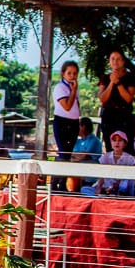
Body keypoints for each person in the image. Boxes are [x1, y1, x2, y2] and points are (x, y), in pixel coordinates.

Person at [97, 50, 135, 153]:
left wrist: (118, 83)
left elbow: (129, 98)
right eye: (113, 59)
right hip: (108, 116)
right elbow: (102, 98)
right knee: (110, 147)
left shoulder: (130, 77)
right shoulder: (105, 78)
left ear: (123, 61)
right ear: (109, 62)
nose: (115, 61)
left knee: (127, 148)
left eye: (118, 59)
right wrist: (112, 82)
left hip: (124, 116)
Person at [51, 60, 81, 192]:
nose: (72, 76)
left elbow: (76, 105)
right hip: (62, 121)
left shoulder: (75, 87)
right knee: (63, 152)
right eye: (69, 73)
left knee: (68, 154)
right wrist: (73, 91)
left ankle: (63, 183)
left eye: (74, 73)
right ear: (63, 73)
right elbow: (67, 106)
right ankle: (54, 181)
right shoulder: (60, 88)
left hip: (73, 122)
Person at [84, 131, 135, 196]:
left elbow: (131, 179)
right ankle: (102, 197)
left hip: (121, 190)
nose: (117, 143)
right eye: (114, 140)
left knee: (124, 184)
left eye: (120, 140)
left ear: (125, 144)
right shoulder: (105, 157)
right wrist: (99, 188)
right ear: (111, 143)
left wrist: (115, 186)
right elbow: (102, 175)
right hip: (106, 188)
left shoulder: (129, 158)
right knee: (84, 189)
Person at [68, 117, 102, 191]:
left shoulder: (94, 140)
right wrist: (78, 156)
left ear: (83, 127)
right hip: (77, 175)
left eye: (78, 126)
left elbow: (84, 156)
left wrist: (77, 156)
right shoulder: (78, 141)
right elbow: (71, 155)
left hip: (90, 178)